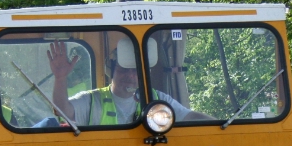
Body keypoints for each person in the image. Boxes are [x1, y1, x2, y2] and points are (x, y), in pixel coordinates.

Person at [48, 38, 213, 125]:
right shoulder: (92, 101)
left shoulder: (157, 99)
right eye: (123, 69)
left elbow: (189, 116)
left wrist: (223, 126)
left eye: (135, 71)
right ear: (110, 70)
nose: (130, 76)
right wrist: (60, 78)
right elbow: (61, 110)